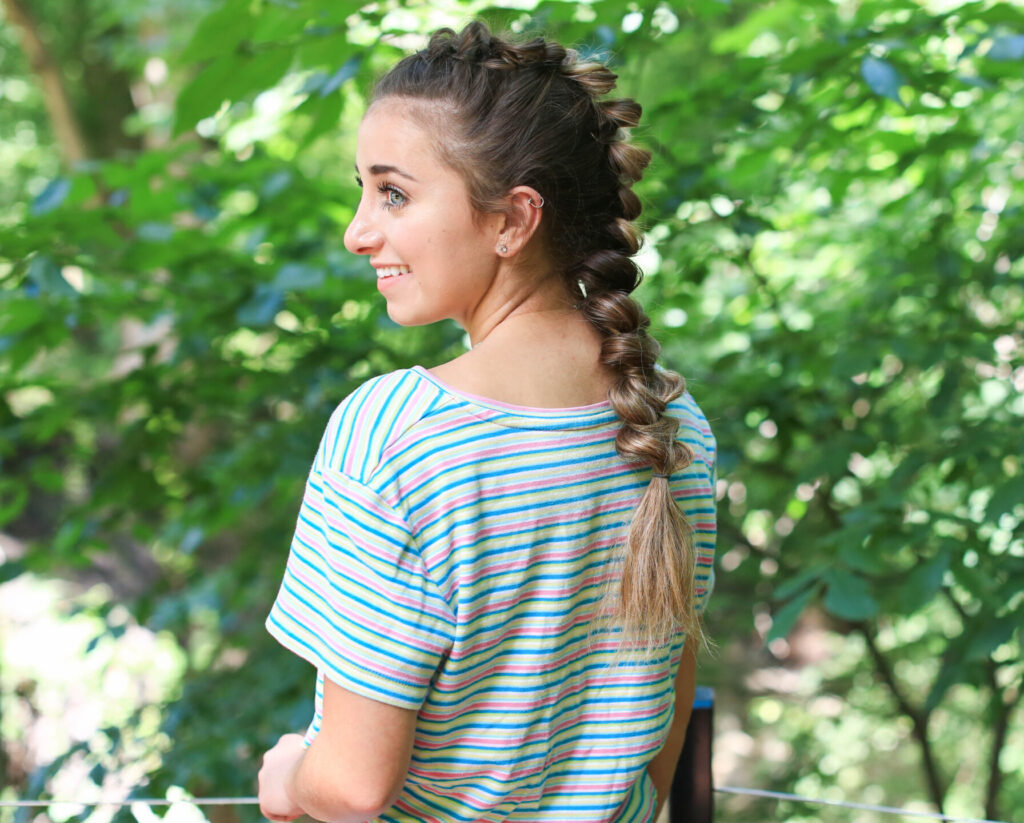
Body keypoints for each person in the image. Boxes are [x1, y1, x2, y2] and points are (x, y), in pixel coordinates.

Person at [256, 20, 717, 823]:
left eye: (392, 193)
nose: (357, 232)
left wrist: (291, 772)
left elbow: (355, 784)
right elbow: (664, 721)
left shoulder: (396, 433)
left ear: (512, 220)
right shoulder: (674, 423)